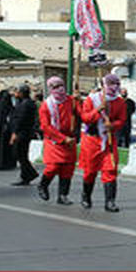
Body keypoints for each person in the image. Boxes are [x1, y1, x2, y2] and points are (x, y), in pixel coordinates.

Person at [79, 73, 128, 212]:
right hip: (92, 140)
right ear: (103, 85)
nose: (114, 86)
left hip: (109, 141)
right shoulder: (91, 99)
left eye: (116, 83)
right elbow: (85, 117)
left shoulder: (120, 102)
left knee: (110, 169)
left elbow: (122, 119)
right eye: (110, 83)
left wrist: (113, 125)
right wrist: (97, 110)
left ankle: (110, 201)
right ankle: (86, 196)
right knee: (90, 171)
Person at [36, 76, 78, 204]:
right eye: (55, 87)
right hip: (54, 139)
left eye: (61, 85)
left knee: (68, 168)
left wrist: (80, 101)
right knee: (53, 166)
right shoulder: (45, 106)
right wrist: (62, 138)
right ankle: (43, 185)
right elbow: (45, 126)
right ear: (50, 89)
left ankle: (63, 195)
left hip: (69, 138)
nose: (59, 89)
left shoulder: (71, 100)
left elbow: (82, 113)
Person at [8, 85, 39, 186]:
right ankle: (26, 175)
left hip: (22, 133)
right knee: (21, 155)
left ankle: (30, 173)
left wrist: (15, 133)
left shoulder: (25, 104)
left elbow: (20, 119)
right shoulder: (26, 103)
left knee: (20, 154)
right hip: (25, 132)